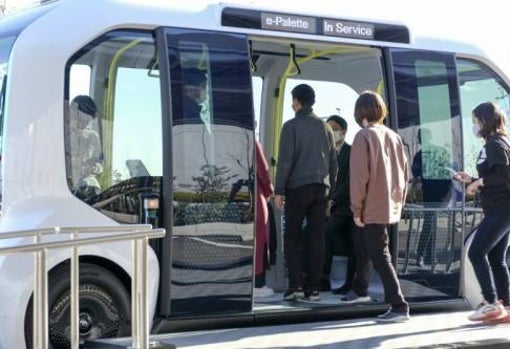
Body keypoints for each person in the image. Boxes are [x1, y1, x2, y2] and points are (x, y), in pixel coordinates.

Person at [345, 90, 410, 323]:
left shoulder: (364, 136)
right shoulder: (393, 136)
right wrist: (398, 204)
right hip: (388, 206)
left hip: (371, 207)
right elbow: (405, 175)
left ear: (359, 112)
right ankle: (360, 288)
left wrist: (356, 209)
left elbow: (359, 177)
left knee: (380, 256)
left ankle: (399, 306)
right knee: (370, 249)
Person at [274, 84, 337, 302]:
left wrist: (278, 191)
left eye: (293, 100)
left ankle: (296, 286)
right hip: (321, 188)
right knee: (317, 238)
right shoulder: (326, 127)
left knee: (292, 236)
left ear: (297, 102)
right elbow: (333, 164)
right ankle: (314, 289)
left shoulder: (290, 126)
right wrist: (331, 194)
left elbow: (285, 162)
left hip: (297, 188)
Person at [453, 101, 510, 322]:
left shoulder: (494, 144)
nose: (474, 125)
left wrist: (478, 183)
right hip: (502, 209)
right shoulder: (499, 142)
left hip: (500, 209)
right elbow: (498, 177)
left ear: (485, 121)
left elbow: (504, 177)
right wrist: (473, 179)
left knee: (476, 252)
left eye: (476, 121)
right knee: (497, 257)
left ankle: (490, 303)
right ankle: (505, 304)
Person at [321, 115, 356, 295]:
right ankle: (319, 279)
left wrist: (332, 201)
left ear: (343, 131)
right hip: (331, 205)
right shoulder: (326, 152)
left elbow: (349, 182)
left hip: (347, 206)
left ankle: (333, 279)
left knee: (327, 232)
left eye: (334, 128)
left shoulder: (352, 151)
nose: (331, 132)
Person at [411, 128, 452, 268]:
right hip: (429, 194)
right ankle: (430, 256)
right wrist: (416, 180)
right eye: (420, 137)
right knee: (431, 222)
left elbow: (448, 170)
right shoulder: (419, 156)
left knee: (429, 222)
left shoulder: (440, 152)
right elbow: (416, 173)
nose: (422, 139)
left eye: (424, 136)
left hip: (441, 194)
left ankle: (420, 255)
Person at [69, 95, 102, 198]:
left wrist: (92, 167)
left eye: (87, 122)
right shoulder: (59, 135)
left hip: (87, 189)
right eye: (80, 120)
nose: (83, 125)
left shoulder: (93, 137)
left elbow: (100, 166)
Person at [253, 140, 275, 298]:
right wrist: (270, 190)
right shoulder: (251, 141)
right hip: (255, 196)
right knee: (259, 242)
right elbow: (263, 171)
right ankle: (258, 285)